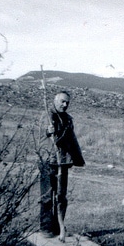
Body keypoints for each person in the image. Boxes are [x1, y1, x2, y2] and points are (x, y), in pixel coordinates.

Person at [39, 91, 85, 238]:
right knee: (47, 197)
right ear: (55, 100)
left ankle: (59, 228)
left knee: (61, 196)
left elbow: (72, 140)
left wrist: (78, 159)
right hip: (48, 161)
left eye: (67, 103)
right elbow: (38, 136)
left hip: (62, 163)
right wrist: (47, 131)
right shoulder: (46, 116)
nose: (65, 105)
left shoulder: (68, 119)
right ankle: (46, 229)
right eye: (62, 101)